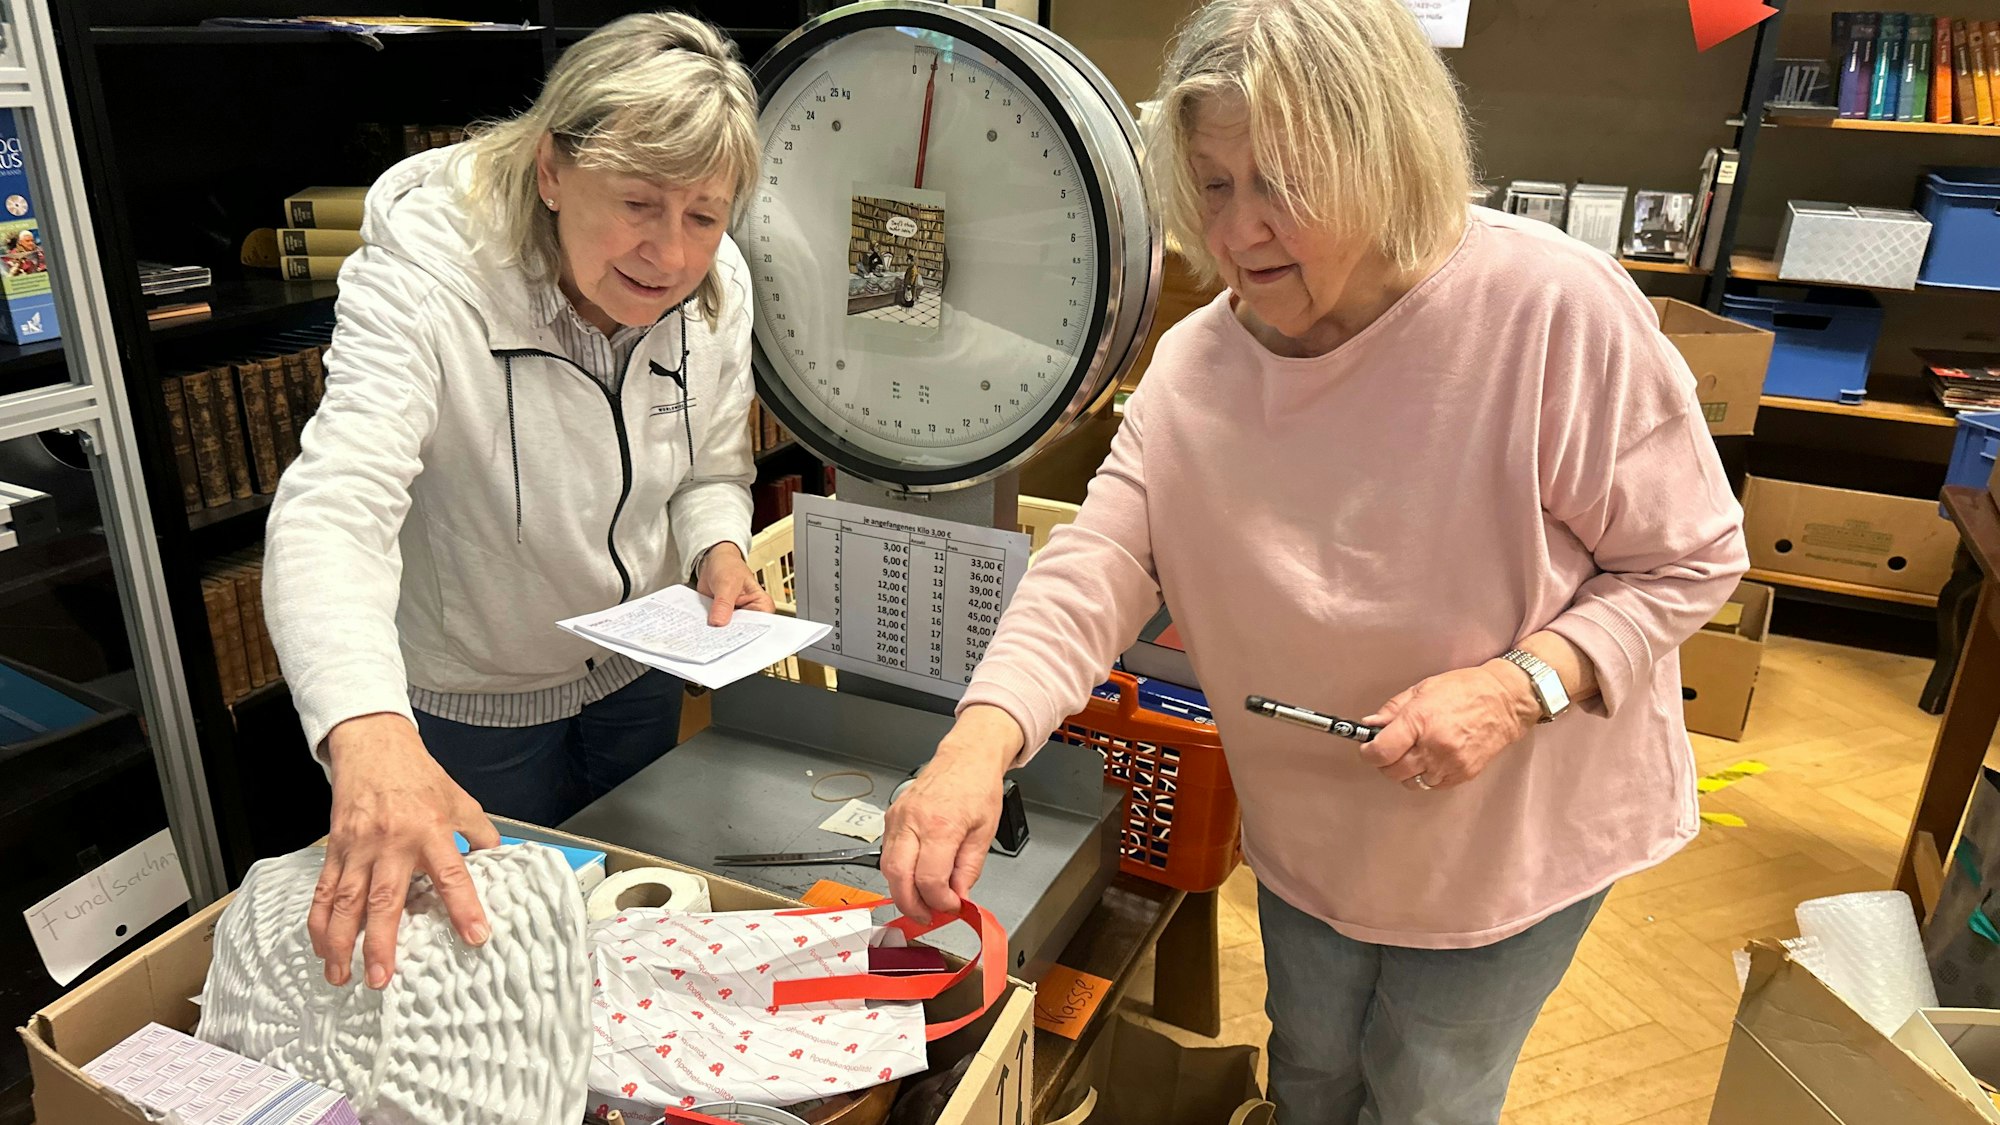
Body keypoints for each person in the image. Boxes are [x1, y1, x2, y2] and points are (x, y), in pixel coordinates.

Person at [880, 0, 1748, 1121]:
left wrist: (1518, 684)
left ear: (1385, 157)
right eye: (1214, 184)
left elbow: (1687, 560)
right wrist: (975, 748)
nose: (1239, 232)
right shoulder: (1196, 367)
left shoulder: (1550, 309)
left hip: (1508, 833)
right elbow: (1095, 567)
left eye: (1283, 182)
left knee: (1425, 1091)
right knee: (1312, 1069)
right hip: (1311, 827)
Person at [263, 12, 774, 994]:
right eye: (638, 203)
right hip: (476, 702)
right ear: (551, 170)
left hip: (638, 667)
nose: (670, 255)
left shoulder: (717, 285)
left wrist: (717, 549)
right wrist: (367, 731)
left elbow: (712, 467)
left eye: (704, 217)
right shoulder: (430, 274)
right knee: (495, 970)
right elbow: (335, 505)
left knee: (629, 942)